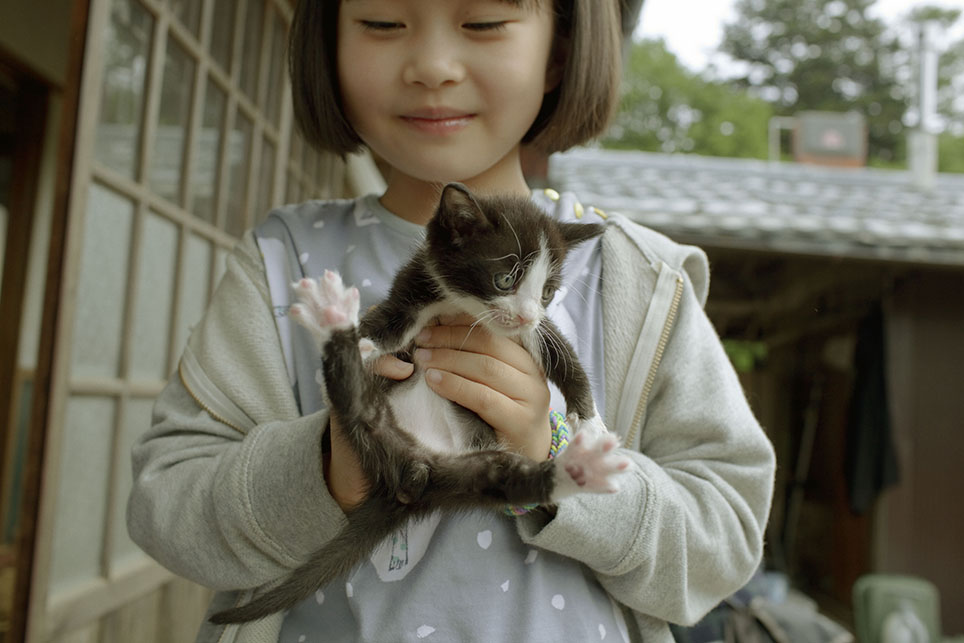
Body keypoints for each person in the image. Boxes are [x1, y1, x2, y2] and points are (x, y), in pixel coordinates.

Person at [126, 1, 776, 641]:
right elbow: (166, 504)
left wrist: (553, 454)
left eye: (483, 22)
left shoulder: (634, 277)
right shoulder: (285, 261)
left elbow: (725, 536)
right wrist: (325, 467)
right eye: (383, 23)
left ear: (561, 50)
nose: (432, 65)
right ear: (327, 40)